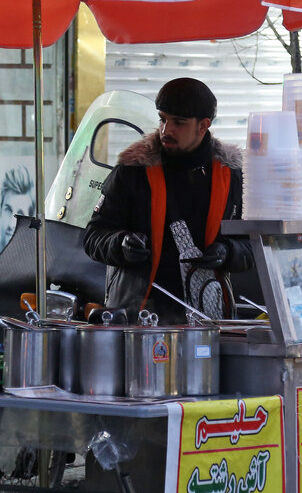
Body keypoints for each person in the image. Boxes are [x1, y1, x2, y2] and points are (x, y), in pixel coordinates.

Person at [82, 77, 250, 323]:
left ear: (203, 126)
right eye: (162, 119)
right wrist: (121, 244)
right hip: (137, 318)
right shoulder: (132, 170)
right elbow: (93, 237)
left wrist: (228, 251)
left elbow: (253, 246)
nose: (165, 130)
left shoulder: (232, 176)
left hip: (210, 320)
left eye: (178, 123)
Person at [0, 163, 35, 256]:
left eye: (20, 214)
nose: (11, 224)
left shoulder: (38, 261)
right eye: (8, 210)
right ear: (0, 210)